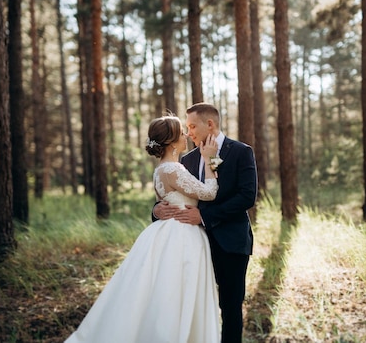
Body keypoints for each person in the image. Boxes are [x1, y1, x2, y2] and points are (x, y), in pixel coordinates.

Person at [66, 115, 222, 343]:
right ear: (170, 142)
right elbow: (209, 193)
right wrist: (211, 160)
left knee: (163, 291)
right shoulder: (173, 169)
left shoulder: (163, 168)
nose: (186, 135)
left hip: (170, 231)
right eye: (181, 133)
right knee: (175, 292)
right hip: (181, 237)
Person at [153, 102, 258, 343]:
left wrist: (204, 217)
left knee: (230, 308)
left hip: (231, 243)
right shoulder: (186, 160)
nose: (188, 133)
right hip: (191, 246)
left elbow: (247, 196)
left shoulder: (240, 151)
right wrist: (156, 210)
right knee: (191, 304)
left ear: (209, 124)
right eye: (186, 128)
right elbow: (172, 193)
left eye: (192, 126)